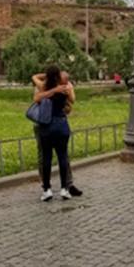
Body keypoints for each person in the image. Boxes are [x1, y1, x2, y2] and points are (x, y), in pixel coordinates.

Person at [32, 66, 81, 202]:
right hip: (61, 125)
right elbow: (72, 100)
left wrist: (48, 80)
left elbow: (36, 96)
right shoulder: (65, 87)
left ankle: (47, 189)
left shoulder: (43, 87)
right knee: (63, 157)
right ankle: (65, 189)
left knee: (46, 158)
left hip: (46, 127)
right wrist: (68, 88)